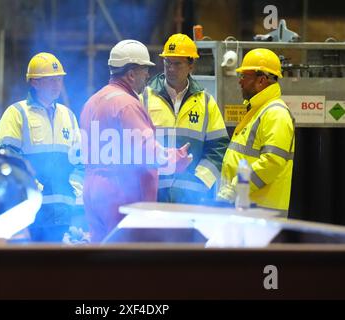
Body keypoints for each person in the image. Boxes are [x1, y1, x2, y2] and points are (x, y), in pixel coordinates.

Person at [80, 40, 192, 242]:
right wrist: (176, 159)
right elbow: (148, 151)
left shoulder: (92, 102)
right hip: (121, 194)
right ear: (131, 74)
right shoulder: (127, 105)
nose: (148, 75)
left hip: (93, 190)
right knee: (127, 261)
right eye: (144, 70)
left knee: (100, 257)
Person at [0, 52, 82, 241]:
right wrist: (30, 189)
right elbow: (6, 161)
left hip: (63, 215)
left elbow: (79, 162)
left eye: (59, 79)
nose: (57, 85)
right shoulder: (16, 114)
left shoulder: (68, 116)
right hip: (28, 214)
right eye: (51, 80)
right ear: (34, 82)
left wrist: (75, 194)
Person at [143, 33, 229, 204]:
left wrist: (200, 180)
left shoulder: (206, 102)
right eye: (167, 62)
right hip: (153, 194)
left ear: (191, 66)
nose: (171, 69)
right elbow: (135, 144)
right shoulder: (144, 97)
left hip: (192, 198)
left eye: (177, 64)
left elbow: (218, 147)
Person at [217, 48, 295, 215]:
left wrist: (235, 188)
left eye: (244, 76)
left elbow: (271, 162)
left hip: (261, 216)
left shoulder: (276, 113)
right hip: (248, 211)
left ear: (261, 80)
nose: (240, 81)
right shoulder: (259, 110)